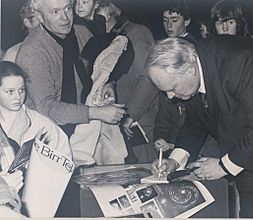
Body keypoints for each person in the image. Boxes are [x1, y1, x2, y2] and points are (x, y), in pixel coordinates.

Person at [148, 37, 253, 218]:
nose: (170, 97)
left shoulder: (239, 63)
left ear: (189, 68)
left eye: (172, 88)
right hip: (247, 152)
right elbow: (196, 121)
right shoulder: (191, 75)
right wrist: (174, 160)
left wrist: (223, 167)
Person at [16, 0, 126, 139]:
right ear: (38, 15)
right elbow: (46, 108)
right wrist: (96, 113)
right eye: (55, 12)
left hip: (84, 133)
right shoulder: (32, 52)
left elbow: (99, 65)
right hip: (48, 137)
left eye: (67, 8)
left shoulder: (81, 33)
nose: (65, 18)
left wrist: (108, 84)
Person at [0, 61, 72, 216]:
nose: (18, 97)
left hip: (37, 202)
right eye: (10, 92)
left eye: (22, 90)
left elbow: (64, 157)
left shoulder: (41, 124)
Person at [97, 0, 158, 163]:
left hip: (136, 122)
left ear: (110, 8)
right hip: (114, 122)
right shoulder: (102, 38)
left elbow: (149, 79)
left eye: (98, 6)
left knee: (144, 176)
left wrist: (130, 115)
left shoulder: (136, 33)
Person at [153, 0, 197, 156]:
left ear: (187, 20)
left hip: (195, 144)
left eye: (174, 20)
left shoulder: (196, 51)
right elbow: (164, 107)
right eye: (165, 21)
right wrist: (161, 136)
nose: (169, 26)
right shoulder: (161, 51)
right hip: (172, 141)